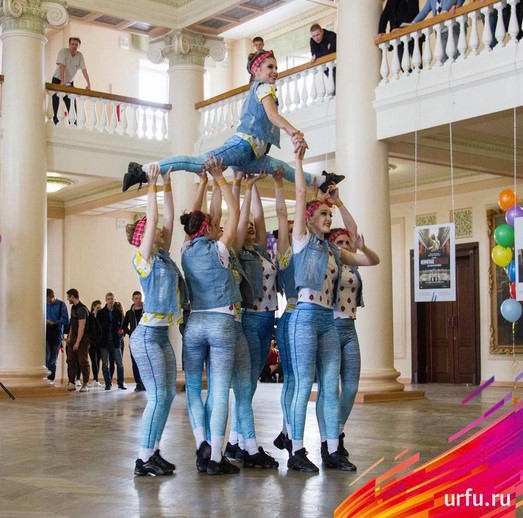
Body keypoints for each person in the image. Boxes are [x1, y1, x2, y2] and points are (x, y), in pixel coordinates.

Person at [122, 51, 344, 193]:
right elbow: (272, 116)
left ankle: (321, 181)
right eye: (270, 67)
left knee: (281, 168)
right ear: (257, 70)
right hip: (243, 146)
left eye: (276, 67)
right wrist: (295, 133)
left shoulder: (260, 89)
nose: (275, 71)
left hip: (252, 154)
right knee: (200, 163)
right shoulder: (264, 87)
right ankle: (141, 170)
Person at [287, 148, 370, 473]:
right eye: (323, 215)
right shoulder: (302, 241)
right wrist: (299, 162)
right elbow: (298, 194)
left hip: (327, 322)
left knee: (330, 389)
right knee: (305, 383)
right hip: (305, 317)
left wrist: (339, 203)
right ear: (308, 218)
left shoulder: (335, 251)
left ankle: (331, 449)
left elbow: (362, 251)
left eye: (329, 217)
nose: (328, 219)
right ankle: (296, 449)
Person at [180, 157, 242, 476]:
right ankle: (217, 457)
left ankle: (201, 445)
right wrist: (219, 180)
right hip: (220, 323)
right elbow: (235, 213)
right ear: (210, 230)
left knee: (193, 387)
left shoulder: (186, 249)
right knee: (219, 390)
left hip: (194, 324)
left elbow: (203, 216)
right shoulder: (218, 249)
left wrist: (202, 184)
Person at [127, 163, 188, 477]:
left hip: (161, 335)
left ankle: (153, 451)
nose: (162, 231)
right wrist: (151, 184)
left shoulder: (163, 258)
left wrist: (166, 182)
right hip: (148, 336)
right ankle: (143, 459)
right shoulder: (144, 260)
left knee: (167, 397)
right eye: (155, 233)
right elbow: (153, 219)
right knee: (159, 396)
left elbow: (167, 216)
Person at [315, 191, 379, 470]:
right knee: (329, 390)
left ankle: (336, 432)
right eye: (339, 242)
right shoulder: (327, 261)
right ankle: (327, 442)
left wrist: (339, 203)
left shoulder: (351, 262)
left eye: (346, 242)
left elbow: (373, 259)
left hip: (349, 329)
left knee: (351, 387)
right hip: (329, 326)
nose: (344, 245)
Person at [51, 37, 91, 124]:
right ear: (69, 44)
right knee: (56, 100)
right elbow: (62, 66)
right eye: (72, 44)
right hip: (58, 80)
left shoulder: (79, 56)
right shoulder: (64, 52)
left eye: (76, 45)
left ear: (79, 46)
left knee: (72, 101)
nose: (74, 46)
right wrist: (62, 81)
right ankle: (55, 120)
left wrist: (88, 84)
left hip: (69, 82)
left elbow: (84, 70)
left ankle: (73, 123)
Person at [97, 292, 126, 390]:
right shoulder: (101, 313)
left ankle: (121, 383)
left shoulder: (118, 313)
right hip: (104, 341)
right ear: (106, 300)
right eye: (108, 299)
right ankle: (108, 383)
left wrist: (121, 334)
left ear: (114, 300)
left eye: (112, 299)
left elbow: (122, 326)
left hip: (116, 341)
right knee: (105, 364)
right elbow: (98, 327)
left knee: (120, 363)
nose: (110, 300)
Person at [375, 0, 420, 64]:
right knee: (402, 64)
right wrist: (381, 31)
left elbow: (412, 12)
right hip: (398, 38)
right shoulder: (391, 1)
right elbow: (384, 16)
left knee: (417, 62)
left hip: (412, 35)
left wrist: (400, 28)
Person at [65, 288, 90, 392]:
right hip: (73, 338)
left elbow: (82, 326)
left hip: (83, 339)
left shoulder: (82, 309)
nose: (67, 299)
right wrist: (69, 337)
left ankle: (85, 384)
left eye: (68, 297)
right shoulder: (73, 308)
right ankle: (71, 383)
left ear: (72, 297)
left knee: (83, 361)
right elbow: (72, 324)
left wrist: (77, 342)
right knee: (70, 360)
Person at [123, 291, 146, 392]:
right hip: (134, 341)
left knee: (145, 362)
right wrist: (131, 334)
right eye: (136, 298)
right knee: (135, 362)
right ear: (133, 299)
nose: (138, 300)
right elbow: (123, 326)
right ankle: (138, 383)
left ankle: (145, 382)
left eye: (140, 298)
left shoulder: (147, 311)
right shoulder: (129, 313)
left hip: (145, 340)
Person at [45, 289, 69, 383]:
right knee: (46, 357)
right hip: (46, 332)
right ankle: (45, 379)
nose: (48, 302)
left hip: (56, 334)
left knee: (53, 359)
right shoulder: (45, 304)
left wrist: (54, 322)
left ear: (53, 296)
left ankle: (51, 380)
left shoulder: (61, 305)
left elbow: (66, 320)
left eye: (49, 300)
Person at [89, 300, 103, 388]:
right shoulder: (90, 316)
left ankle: (96, 379)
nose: (99, 309)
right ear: (93, 307)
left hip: (100, 342)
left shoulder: (101, 316)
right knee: (94, 360)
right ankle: (95, 379)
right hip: (92, 342)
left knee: (98, 360)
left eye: (100, 308)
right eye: (97, 308)